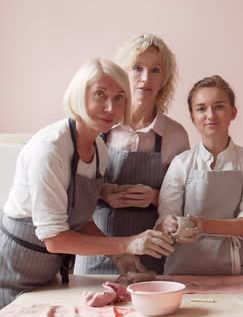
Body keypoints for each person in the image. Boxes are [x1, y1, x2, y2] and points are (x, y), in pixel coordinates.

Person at [0, 59, 174, 308]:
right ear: (79, 95)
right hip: (12, 270)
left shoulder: (99, 149)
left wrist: (120, 256)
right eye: (100, 95)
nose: (110, 107)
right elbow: (55, 238)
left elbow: (80, 220)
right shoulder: (50, 149)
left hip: (47, 274)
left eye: (119, 98)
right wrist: (127, 242)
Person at [75, 34, 189, 275]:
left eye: (155, 70)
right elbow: (72, 192)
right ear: (122, 72)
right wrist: (103, 193)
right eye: (137, 68)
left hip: (150, 252)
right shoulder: (99, 125)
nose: (145, 78)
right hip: (96, 245)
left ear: (164, 78)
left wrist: (155, 196)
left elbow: (185, 202)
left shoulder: (175, 135)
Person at [157, 75, 243, 275]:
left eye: (219, 107)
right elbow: (165, 219)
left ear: (233, 112)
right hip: (183, 271)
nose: (210, 115)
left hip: (238, 270)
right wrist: (168, 224)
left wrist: (203, 225)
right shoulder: (181, 163)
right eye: (201, 108)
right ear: (192, 117)